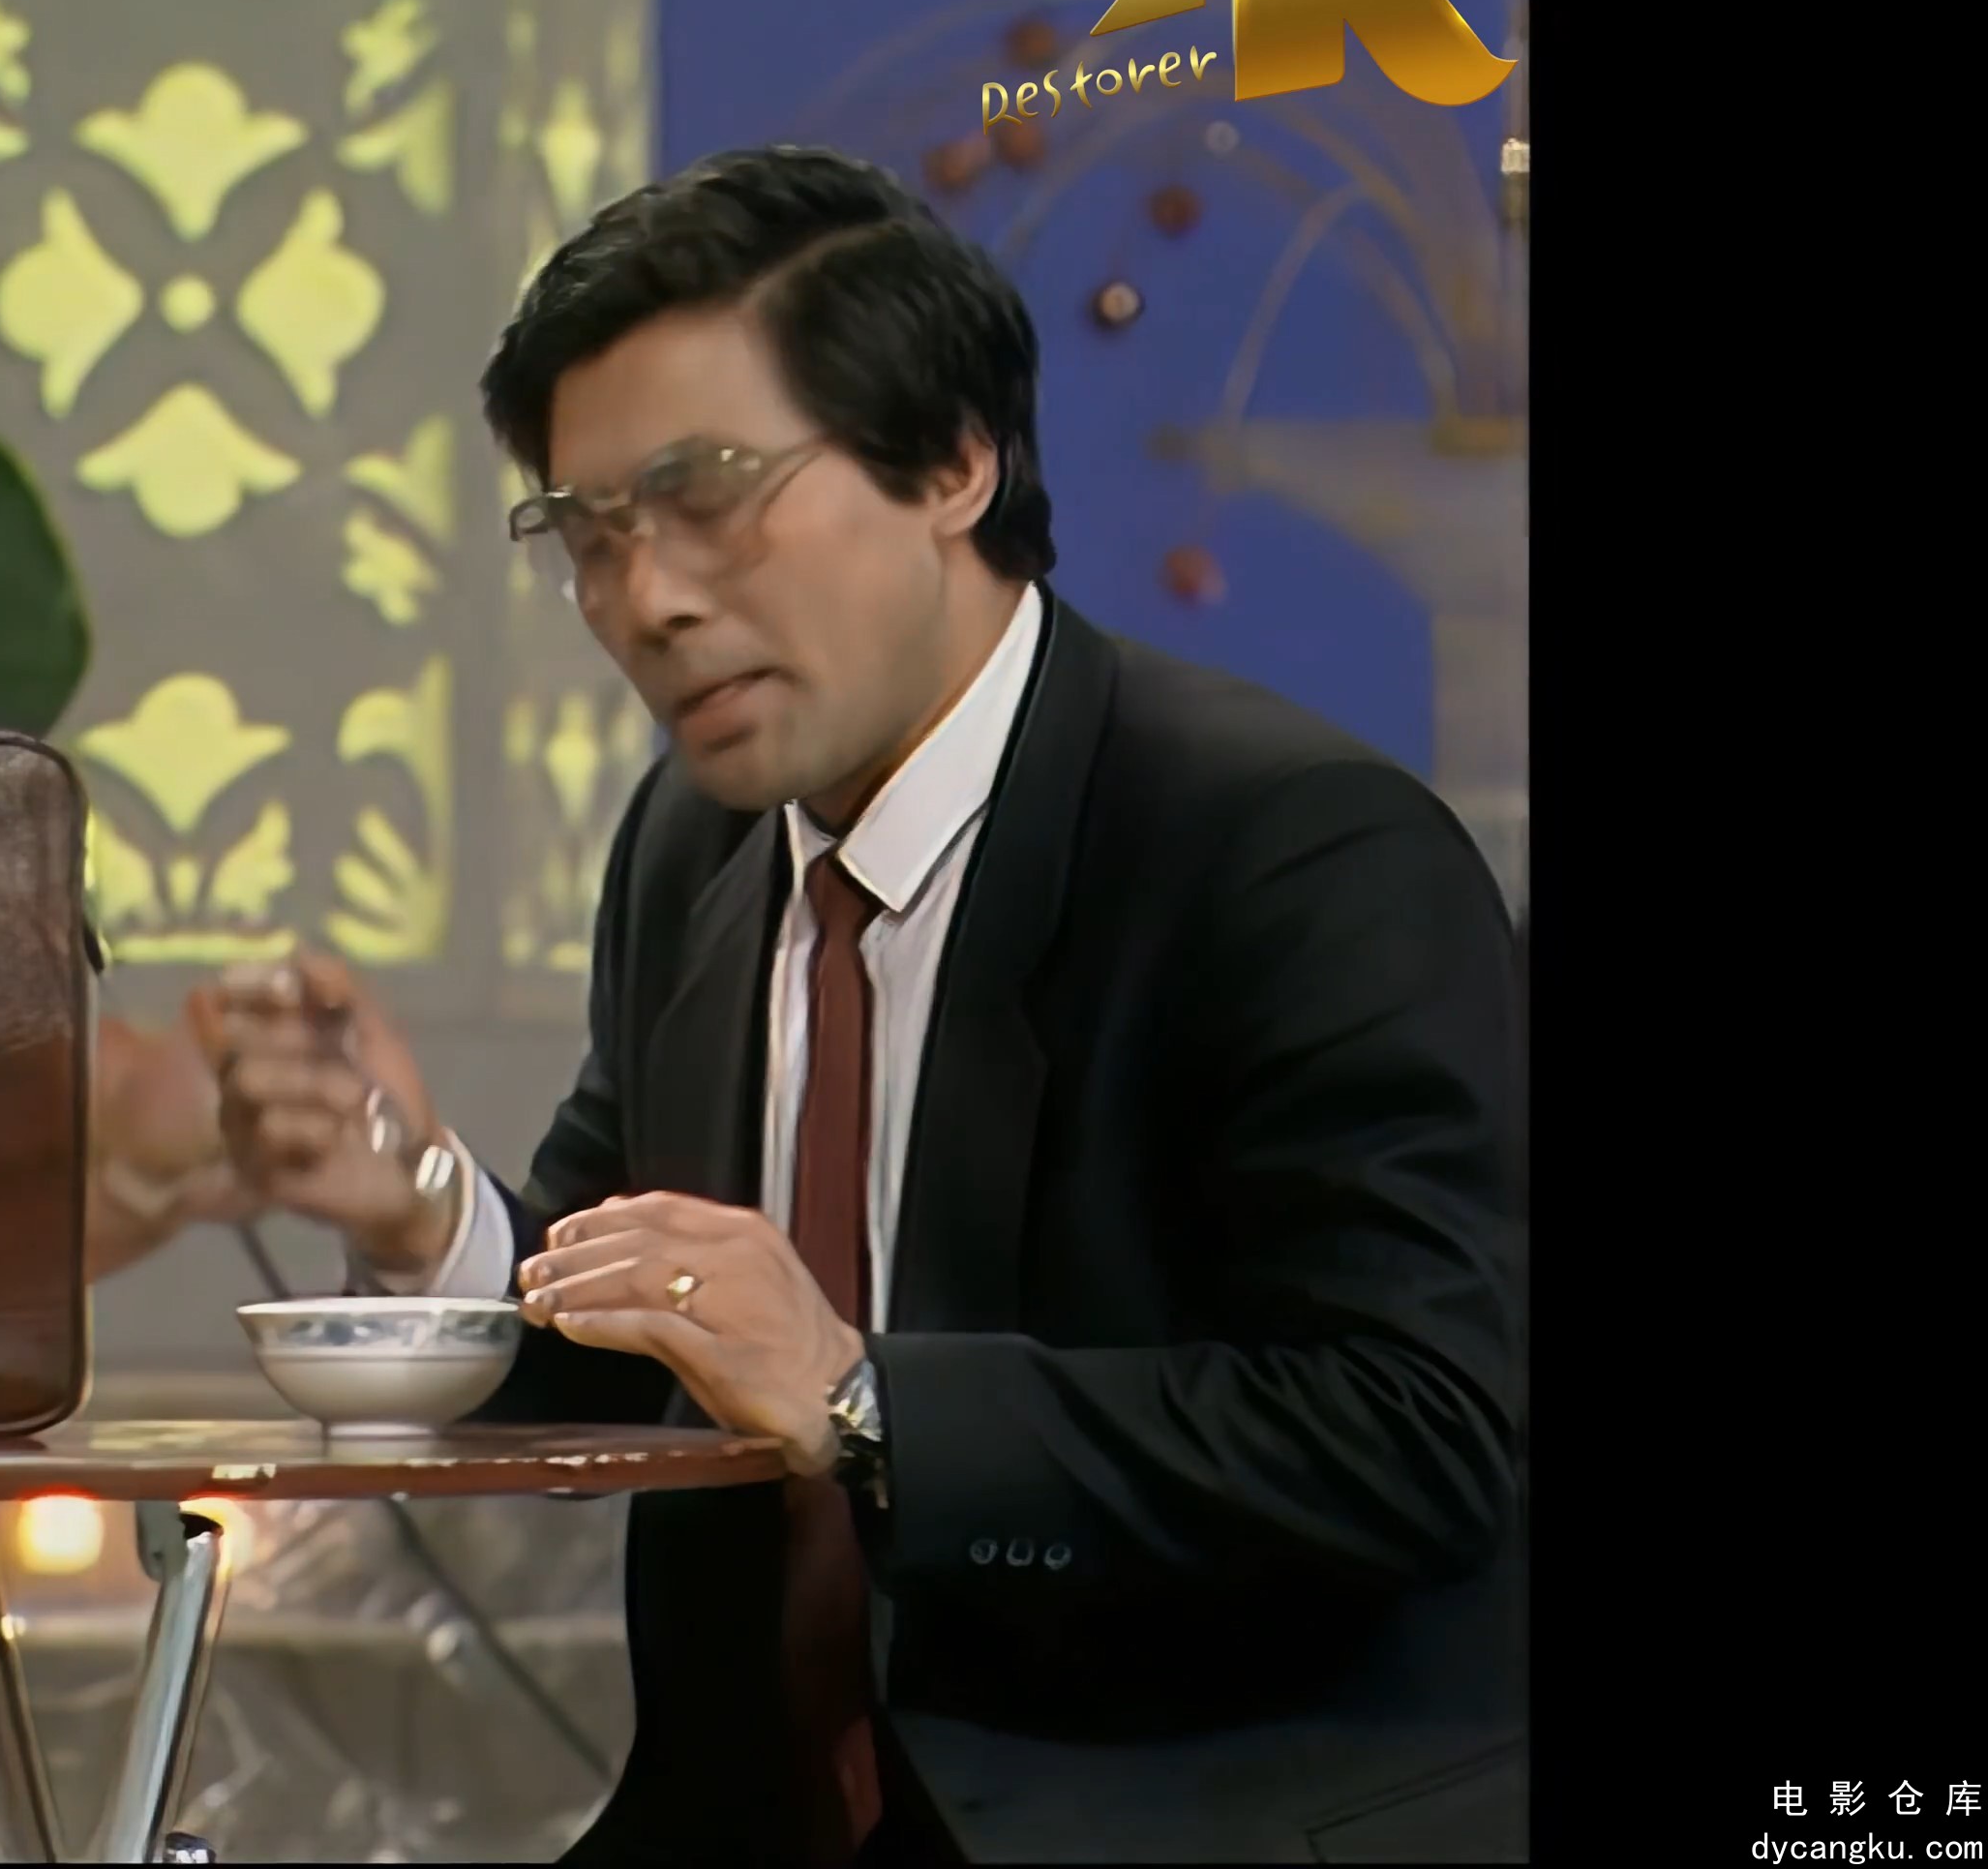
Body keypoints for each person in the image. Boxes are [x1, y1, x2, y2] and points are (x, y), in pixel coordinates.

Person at [184, 147, 1525, 1865]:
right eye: (589, 536)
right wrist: (419, 1205)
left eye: (709, 496)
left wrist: (862, 1398)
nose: (648, 599)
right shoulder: (695, 848)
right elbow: (648, 1325)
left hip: (1180, 1815)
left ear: (954, 463)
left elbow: (1413, 1438)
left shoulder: (1286, 849)